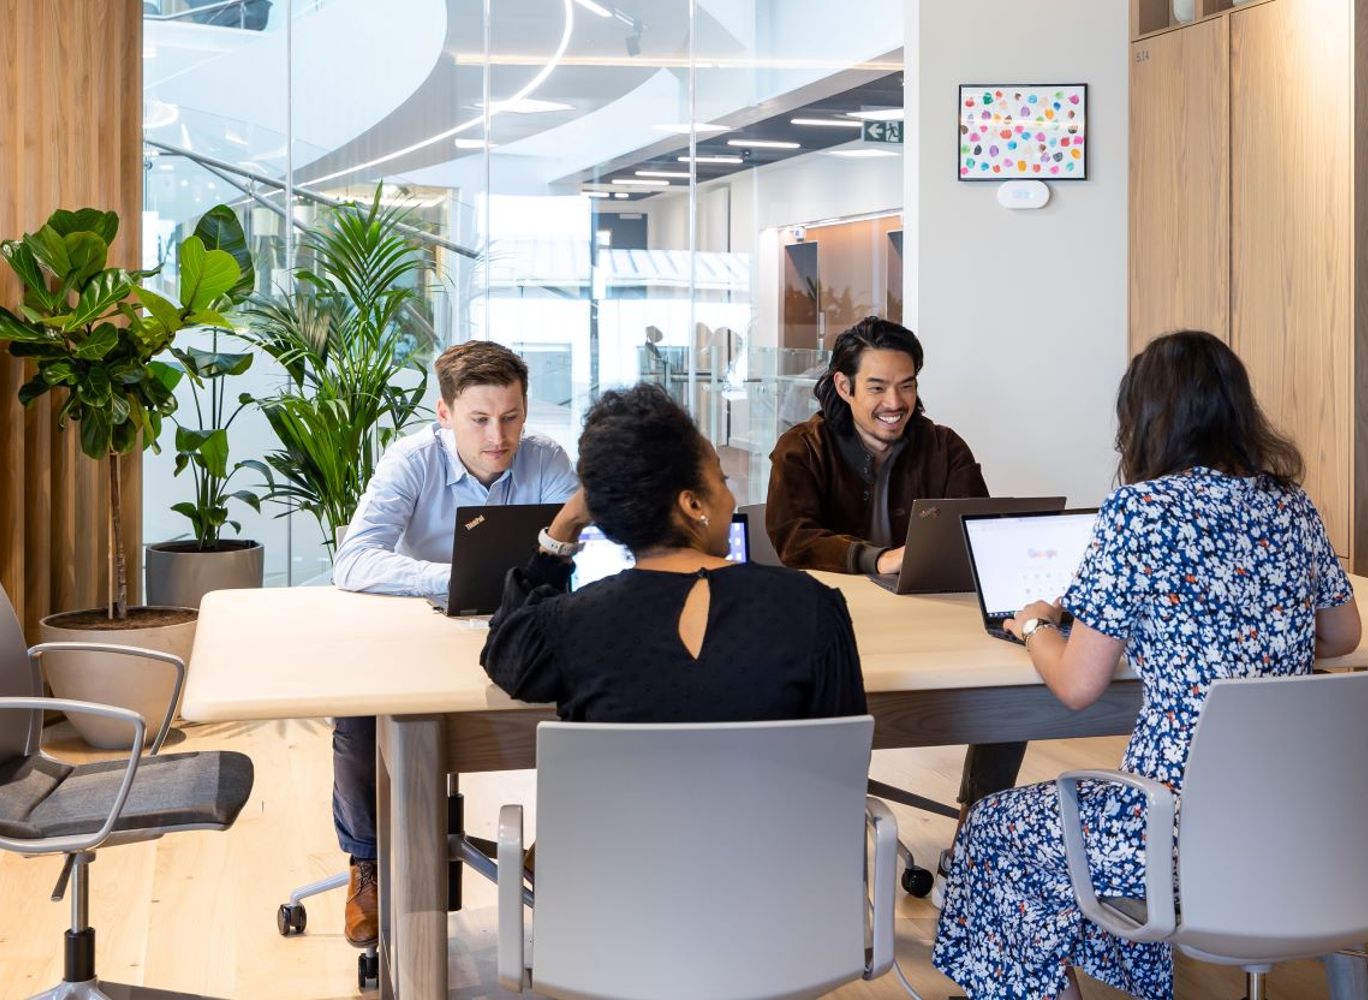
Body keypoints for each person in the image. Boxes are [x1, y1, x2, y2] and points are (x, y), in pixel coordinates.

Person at [932, 330, 1361, 1000]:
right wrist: (1247, 630)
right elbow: (1342, 633)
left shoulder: (1140, 511)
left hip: (1175, 831)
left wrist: (1036, 624)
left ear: (1146, 420)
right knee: (1049, 831)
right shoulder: (1291, 503)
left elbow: (1077, 684)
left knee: (994, 827)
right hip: (1299, 827)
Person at [765, 314, 1023, 899]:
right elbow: (793, 538)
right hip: (835, 619)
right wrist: (873, 559)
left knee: (1012, 689)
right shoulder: (801, 448)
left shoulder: (943, 445)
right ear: (843, 386)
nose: (895, 401)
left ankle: (977, 832)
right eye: (878, 386)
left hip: (930, 616)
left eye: (906, 385)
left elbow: (978, 525)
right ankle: (813, 840)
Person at [329, 340, 577, 947]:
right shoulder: (411, 462)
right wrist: (459, 575)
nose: (500, 436)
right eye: (481, 419)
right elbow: (353, 561)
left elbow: (593, 545)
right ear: (445, 414)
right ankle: (367, 862)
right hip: (419, 629)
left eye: (512, 417)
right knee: (359, 715)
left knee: (596, 686)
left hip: (516, 629)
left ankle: (562, 847)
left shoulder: (545, 459)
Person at [480, 382, 867, 725]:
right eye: (722, 479)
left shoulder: (569, 624)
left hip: (623, 811)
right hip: (774, 809)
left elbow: (504, 654)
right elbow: (843, 755)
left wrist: (564, 526)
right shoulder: (811, 606)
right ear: (693, 504)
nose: (730, 497)